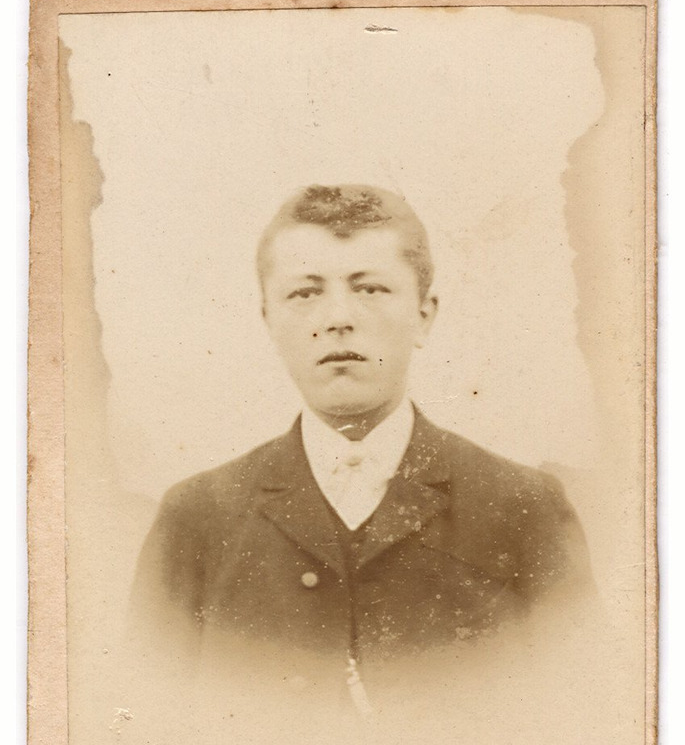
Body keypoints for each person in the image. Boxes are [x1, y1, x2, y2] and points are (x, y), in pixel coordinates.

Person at [133, 184, 592, 697]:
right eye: (304, 294)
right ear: (268, 320)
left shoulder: (522, 507)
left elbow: (578, 718)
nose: (338, 319)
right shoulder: (196, 517)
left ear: (424, 316)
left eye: (370, 289)